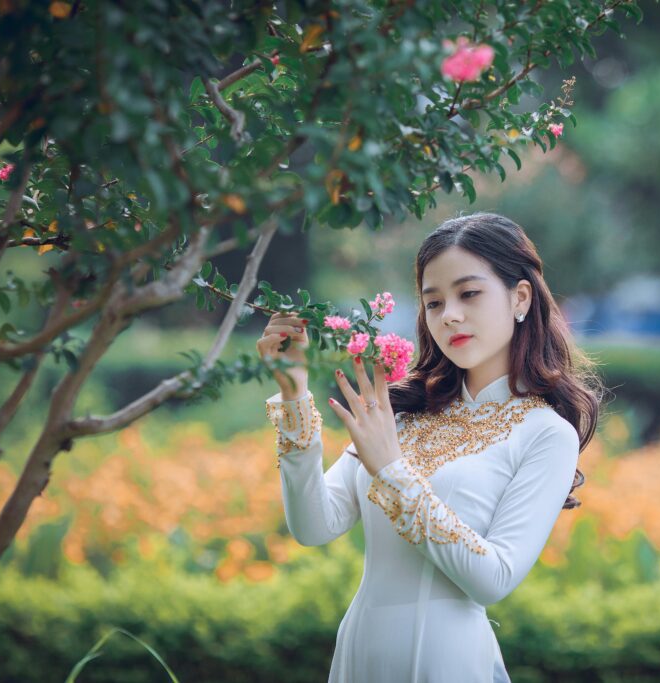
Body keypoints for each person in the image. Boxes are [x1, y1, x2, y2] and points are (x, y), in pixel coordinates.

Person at [256, 212, 602, 682]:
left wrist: (392, 472)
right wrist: (294, 392)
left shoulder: (545, 434)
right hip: (361, 654)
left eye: (469, 293)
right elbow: (314, 525)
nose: (450, 315)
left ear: (520, 297)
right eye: (433, 302)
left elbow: (493, 578)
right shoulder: (404, 414)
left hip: (448, 660)